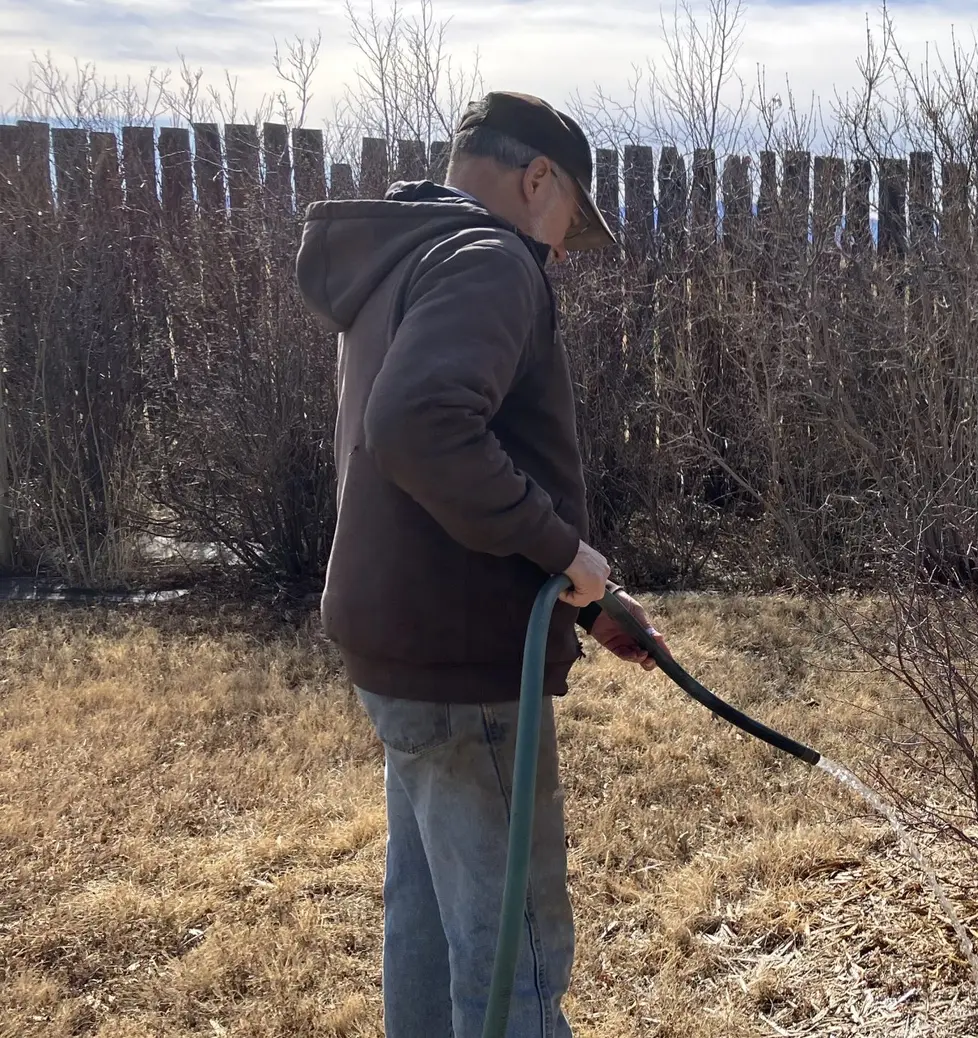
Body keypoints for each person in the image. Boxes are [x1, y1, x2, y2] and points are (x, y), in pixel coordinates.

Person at [295, 91, 661, 1037]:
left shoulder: (404, 252)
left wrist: (582, 595)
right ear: (538, 179)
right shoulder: (492, 258)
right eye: (566, 230)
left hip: (404, 650)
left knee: (429, 925)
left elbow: (436, 449)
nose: (556, 258)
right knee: (515, 959)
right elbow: (418, 426)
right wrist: (560, 547)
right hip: (466, 669)